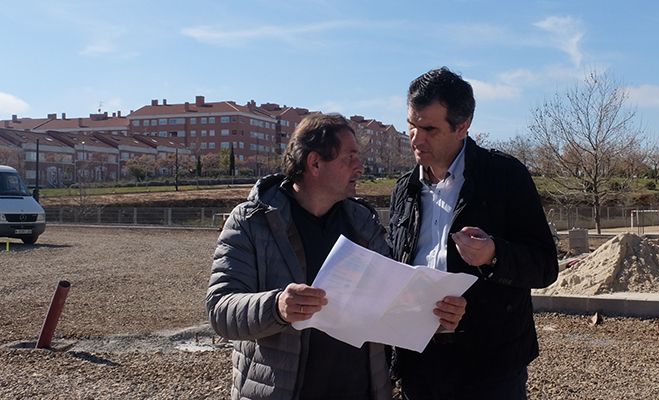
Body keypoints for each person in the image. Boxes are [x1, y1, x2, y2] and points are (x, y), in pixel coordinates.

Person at [206, 113, 464, 400]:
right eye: (349, 157)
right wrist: (277, 306)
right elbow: (220, 310)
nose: (360, 166)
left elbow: (392, 300)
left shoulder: (363, 224)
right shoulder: (251, 222)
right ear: (315, 163)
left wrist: (433, 316)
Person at [388, 67, 559, 400]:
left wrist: (493, 254)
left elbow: (544, 266)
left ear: (462, 127)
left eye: (429, 129)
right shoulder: (403, 191)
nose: (416, 139)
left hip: (490, 367)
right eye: (411, 125)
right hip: (418, 362)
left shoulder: (505, 178)